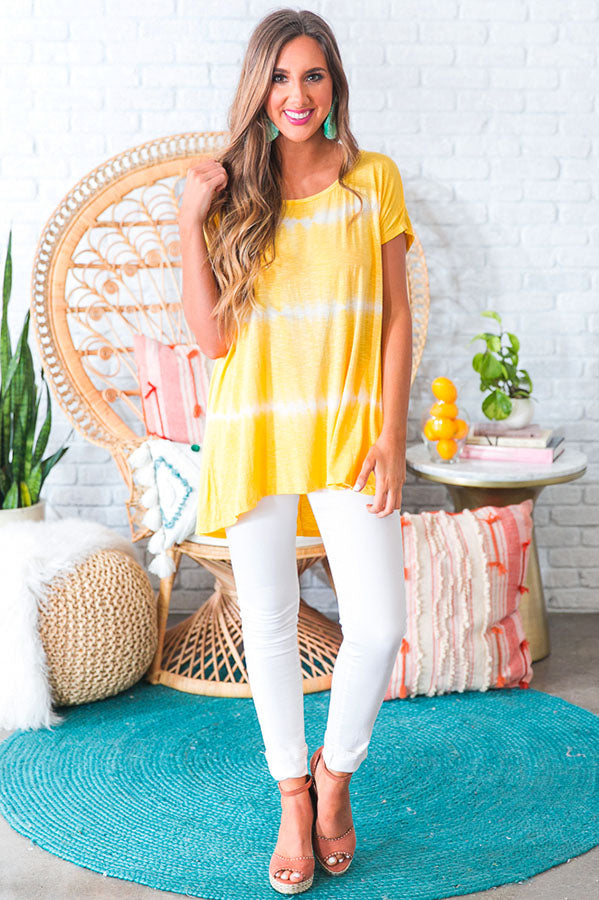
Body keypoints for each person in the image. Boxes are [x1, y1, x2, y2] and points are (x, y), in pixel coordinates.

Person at [178, 7, 414, 894]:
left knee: (378, 625)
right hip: (255, 426)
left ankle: (334, 776)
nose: (296, 94)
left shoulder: (372, 180)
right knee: (270, 624)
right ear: (258, 87)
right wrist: (189, 222)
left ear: (334, 85)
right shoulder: (233, 194)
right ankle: (290, 796)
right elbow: (211, 339)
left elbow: (395, 317)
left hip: (350, 428)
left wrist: (389, 434)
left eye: (312, 75)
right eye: (279, 77)